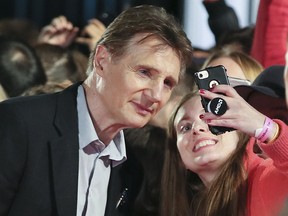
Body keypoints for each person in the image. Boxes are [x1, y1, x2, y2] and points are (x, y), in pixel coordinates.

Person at [0, 5, 193, 216]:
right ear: (102, 60)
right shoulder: (20, 124)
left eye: (167, 83)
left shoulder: (133, 168)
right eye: (145, 72)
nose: (156, 95)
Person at [161, 84, 288, 216]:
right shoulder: (190, 208)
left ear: (240, 134)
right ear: (177, 154)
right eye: (185, 127)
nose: (197, 128)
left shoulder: (265, 178)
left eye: (211, 118)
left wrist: (268, 129)